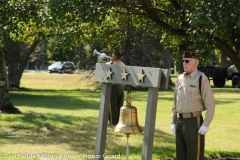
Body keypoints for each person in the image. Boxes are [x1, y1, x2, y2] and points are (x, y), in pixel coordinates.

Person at [171, 51, 215, 160]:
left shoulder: (201, 78)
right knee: (180, 156)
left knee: (194, 156)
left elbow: (210, 103)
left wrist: (206, 124)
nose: (184, 63)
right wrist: (173, 121)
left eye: (187, 61)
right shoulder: (180, 78)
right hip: (180, 122)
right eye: (183, 61)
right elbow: (175, 102)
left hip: (193, 122)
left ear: (195, 62)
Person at [106, 51, 125, 125]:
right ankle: (118, 121)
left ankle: (113, 121)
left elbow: (103, 67)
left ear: (115, 57)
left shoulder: (112, 64)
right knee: (119, 105)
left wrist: (100, 59)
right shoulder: (123, 64)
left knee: (112, 105)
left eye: (112, 56)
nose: (111, 57)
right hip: (121, 86)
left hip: (113, 86)